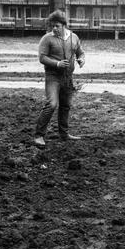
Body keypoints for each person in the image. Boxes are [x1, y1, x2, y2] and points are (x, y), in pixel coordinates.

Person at [33, 10, 85, 147]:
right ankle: (39, 135)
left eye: (57, 26)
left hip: (68, 77)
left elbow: (80, 52)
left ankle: (64, 133)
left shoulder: (74, 37)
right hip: (53, 77)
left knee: (66, 105)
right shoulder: (47, 39)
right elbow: (42, 57)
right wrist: (57, 64)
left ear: (64, 25)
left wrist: (81, 60)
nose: (54, 29)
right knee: (52, 104)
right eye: (52, 26)